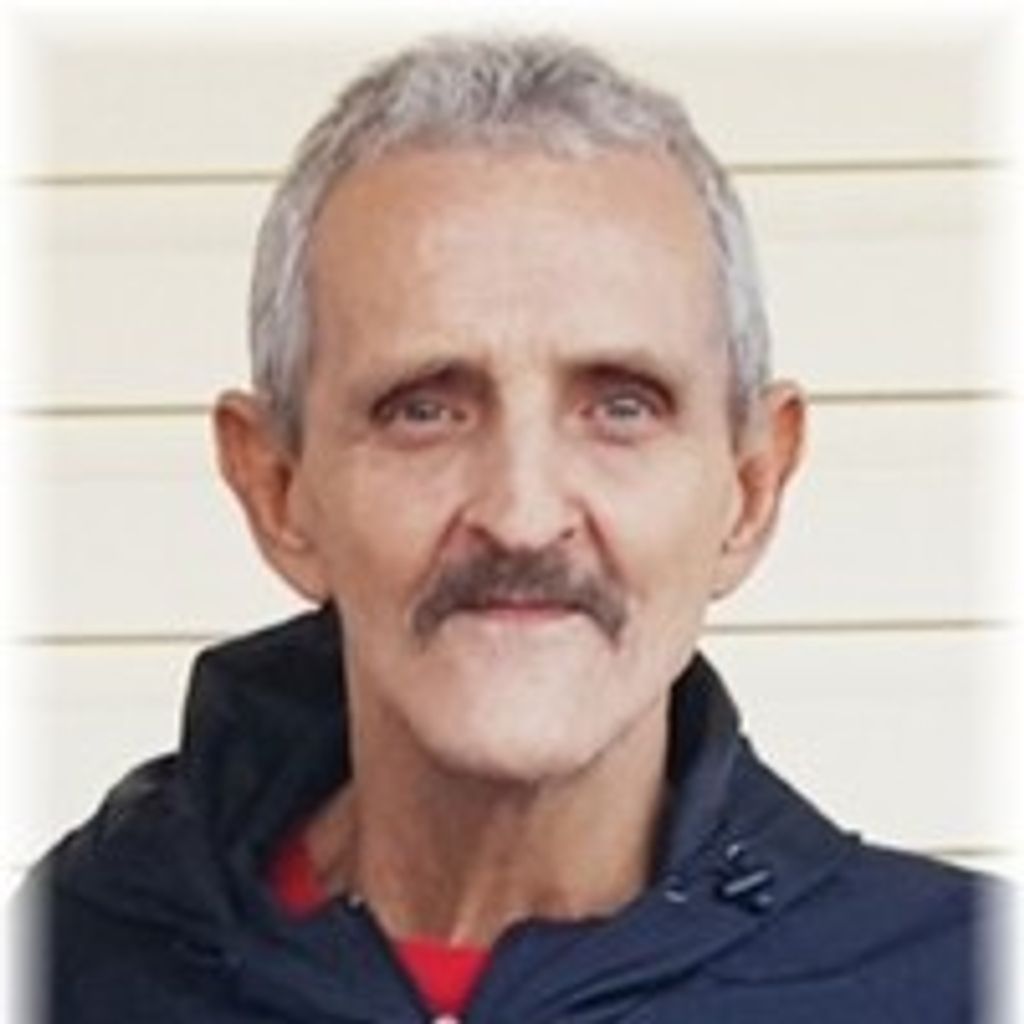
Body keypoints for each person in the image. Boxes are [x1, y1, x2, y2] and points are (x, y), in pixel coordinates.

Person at [28, 34, 990, 1023]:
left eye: (621, 406)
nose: (523, 517)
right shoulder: (65, 968)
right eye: (423, 410)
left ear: (750, 487)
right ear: (278, 488)